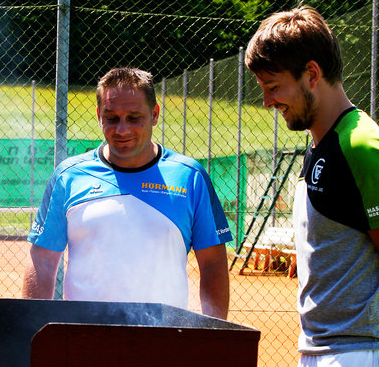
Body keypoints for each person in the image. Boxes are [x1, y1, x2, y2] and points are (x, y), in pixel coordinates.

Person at [246, 6, 379, 367]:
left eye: (273, 86)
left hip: (372, 360)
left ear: (312, 74)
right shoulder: (322, 143)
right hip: (328, 353)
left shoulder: (359, 147)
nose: (267, 101)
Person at [22, 67, 232, 318]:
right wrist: (31, 332)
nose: (122, 130)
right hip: (83, 338)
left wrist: (213, 334)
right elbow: (42, 261)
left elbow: (213, 265)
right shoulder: (68, 176)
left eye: (134, 118)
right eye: (112, 118)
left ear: (154, 115)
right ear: (99, 115)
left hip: (164, 339)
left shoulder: (190, 177)